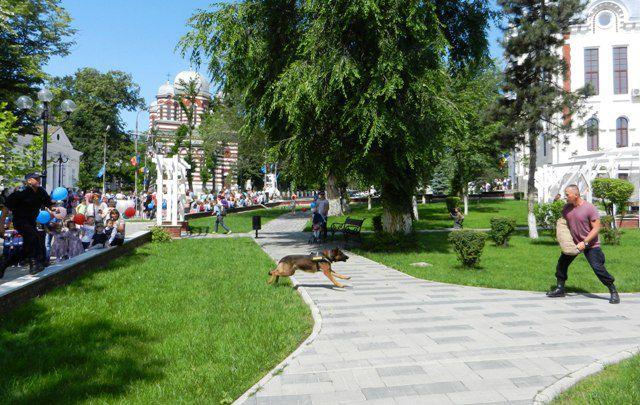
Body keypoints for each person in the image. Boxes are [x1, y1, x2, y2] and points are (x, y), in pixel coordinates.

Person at [546, 185, 620, 304]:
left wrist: (585, 242)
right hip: (574, 244)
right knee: (561, 265)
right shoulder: (567, 208)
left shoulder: (589, 208)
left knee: (598, 268)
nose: (565, 197)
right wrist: (564, 239)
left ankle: (613, 291)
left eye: (567, 195)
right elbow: (563, 223)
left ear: (576, 195)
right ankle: (560, 289)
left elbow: (596, 228)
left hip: (591, 245)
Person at [0, 172, 53, 276]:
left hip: (31, 222)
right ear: (29, 181)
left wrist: (55, 210)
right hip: (20, 222)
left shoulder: (41, 191)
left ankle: (4, 263)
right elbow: (6, 208)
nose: (39, 180)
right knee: (34, 237)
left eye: (39, 178)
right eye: (36, 179)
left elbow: (49, 204)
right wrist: (1, 225)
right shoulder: (21, 192)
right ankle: (34, 265)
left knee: (26, 249)